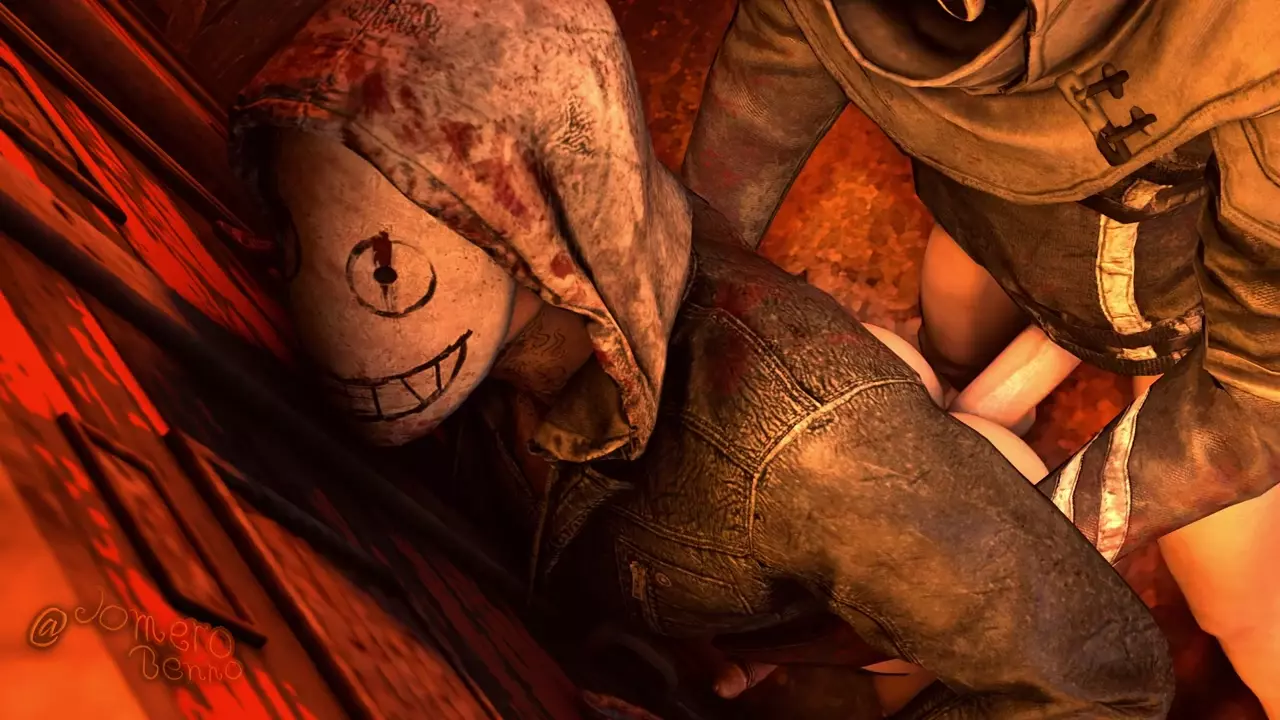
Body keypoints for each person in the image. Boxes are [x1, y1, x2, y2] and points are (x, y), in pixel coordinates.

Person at [228, 0, 1175, 716]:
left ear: (536, 212)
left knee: (980, 475)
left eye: (385, 267)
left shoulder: (814, 451)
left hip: (861, 540)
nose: (338, 318)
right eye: (305, 233)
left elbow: (1105, 678)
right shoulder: (507, 362)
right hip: (796, 550)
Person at [681, 0, 1280, 712]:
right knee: (953, 341)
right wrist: (683, 288)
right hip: (1001, 224)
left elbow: (1253, 395)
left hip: (1213, 315)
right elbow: (780, 52)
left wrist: (985, 567)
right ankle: (970, 378)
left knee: (1242, 610)